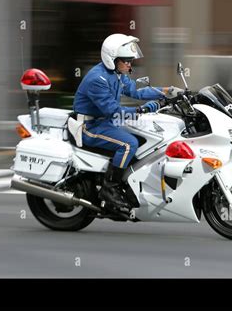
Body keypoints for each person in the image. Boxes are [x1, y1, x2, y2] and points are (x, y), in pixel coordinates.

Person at [73, 33, 182, 208]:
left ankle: (127, 184)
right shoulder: (97, 79)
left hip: (105, 123)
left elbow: (136, 91)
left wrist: (167, 91)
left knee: (143, 138)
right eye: (126, 61)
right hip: (89, 126)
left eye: (131, 60)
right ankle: (110, 188)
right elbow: (114, 111)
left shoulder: (117, 74)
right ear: (112, 59)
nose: (130, 64)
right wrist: (142, 109)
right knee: (128, 144)